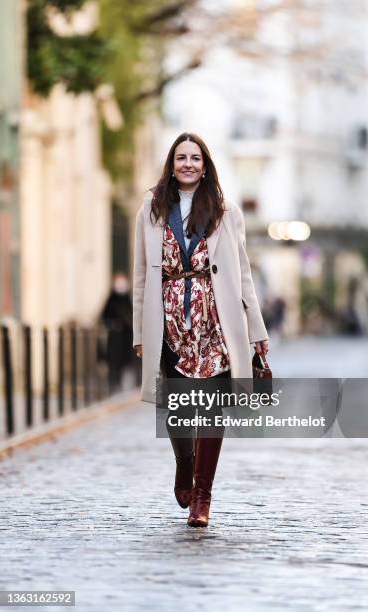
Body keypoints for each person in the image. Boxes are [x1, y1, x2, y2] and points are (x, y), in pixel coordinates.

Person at [132, 132, 269, 527]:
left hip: (216, 322)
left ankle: (202, 497)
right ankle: (184, 462)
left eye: (195, 157)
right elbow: (142, 276)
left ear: (205, 165)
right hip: (171, 322)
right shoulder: (151, 209)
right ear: (171, 166)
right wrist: (142, 333)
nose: (188, 163)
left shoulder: (226, 212)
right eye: (181, 158)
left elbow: (242, 275)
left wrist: (255, 328)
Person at [100, 273, 134, 393]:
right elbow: (104, 316)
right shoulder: (111, 299)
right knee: (114, 361)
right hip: (114, 336)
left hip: (126, 337)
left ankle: (125, 384)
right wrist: (113, 324)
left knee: (126, 361)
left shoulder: (128, 299)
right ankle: (114, 384)